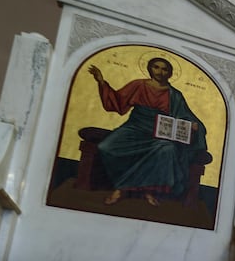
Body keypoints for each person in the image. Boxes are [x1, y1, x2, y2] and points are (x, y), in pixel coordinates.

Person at [86, 56, 208, 206]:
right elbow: (116, 101)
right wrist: (101, 82)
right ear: (150, 69)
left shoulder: (175, 95)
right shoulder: (138, 85)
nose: (160, 72)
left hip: (159, 133)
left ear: (169, 73)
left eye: (165, 69)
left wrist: (194, 126)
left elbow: (185, 116)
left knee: (167, 149)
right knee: (105, 147)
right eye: (156, 67)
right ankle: (135, 187)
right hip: (134, 128)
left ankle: (129, 189)